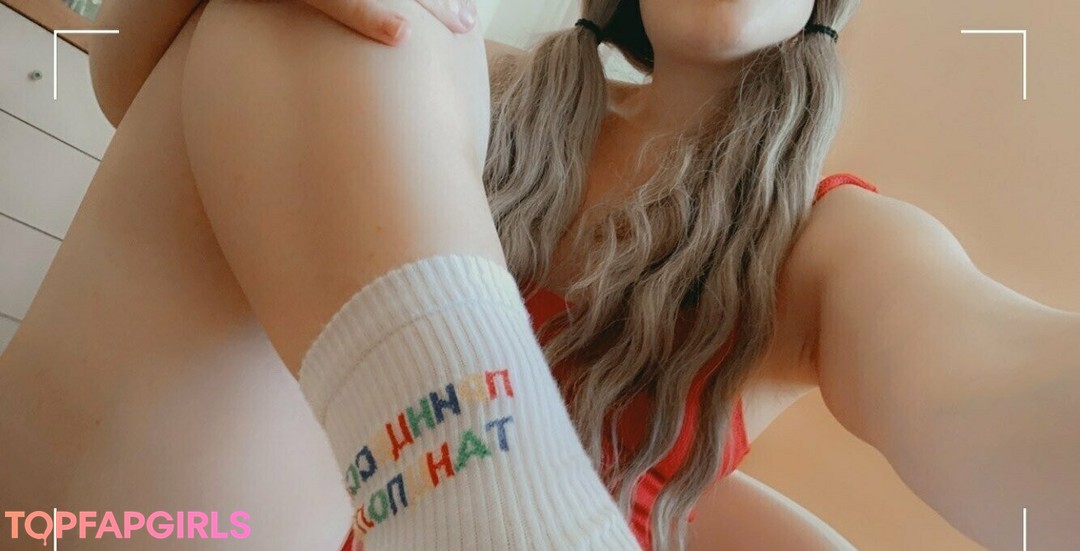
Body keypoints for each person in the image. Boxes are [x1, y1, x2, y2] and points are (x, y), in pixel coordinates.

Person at [3, 1, 1078, 551]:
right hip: (221, 521)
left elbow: (986, 375)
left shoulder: (827, 242)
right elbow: (127, 79)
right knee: (354, 23)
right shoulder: (455, 78)